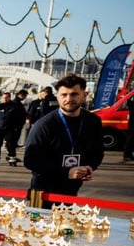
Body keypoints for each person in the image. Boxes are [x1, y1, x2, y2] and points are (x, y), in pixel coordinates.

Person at [23, 74, 104, 208]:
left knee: (64, 227)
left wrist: (90, 166)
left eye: (74, 94)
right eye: (64, 95)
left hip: (71, 189)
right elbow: (30, 160)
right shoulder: (44, 124)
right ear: (57, 96)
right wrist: (66, 172)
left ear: (84, 95)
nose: (68, 99)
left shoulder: (93, 121)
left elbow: (98, 152)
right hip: (42, 191)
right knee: (36, 227)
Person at [0, 92, 25, 166]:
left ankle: (12, 160)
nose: (5, 99)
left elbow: (21, 118)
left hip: (10, 129)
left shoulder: (15, 107)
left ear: (9, 97)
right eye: (3, 97)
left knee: (10, 145)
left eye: (6, 97)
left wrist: (17, 127)